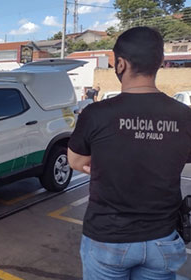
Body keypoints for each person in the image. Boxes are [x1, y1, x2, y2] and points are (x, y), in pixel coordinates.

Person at [68, 26, 191, 279]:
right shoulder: (185, 116)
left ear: (121, 64)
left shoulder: (95, 113)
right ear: (159, 64)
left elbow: (75, 160)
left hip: (107, 239)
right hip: (163, 239)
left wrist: (105, 163)